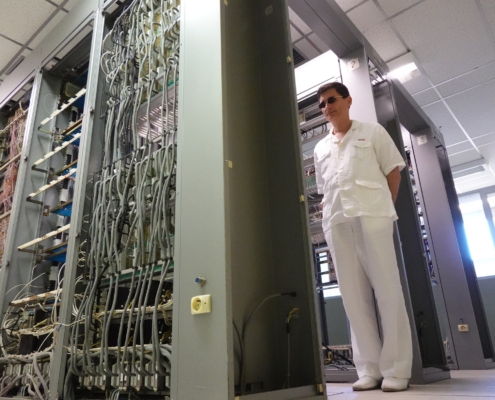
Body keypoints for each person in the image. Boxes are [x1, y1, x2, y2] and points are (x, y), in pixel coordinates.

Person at [314, 82, 412, 392]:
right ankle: (369, 369)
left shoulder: (372, 132)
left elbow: (393, 172)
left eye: (331, 100)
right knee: (353, 298)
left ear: (348, 100)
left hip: (372, 217)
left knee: (388, 291)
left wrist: (383, 209)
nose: (326, 107)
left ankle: (397, 369)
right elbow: (325, 190)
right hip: (337, 222)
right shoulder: (321, 148)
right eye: (321, 104)